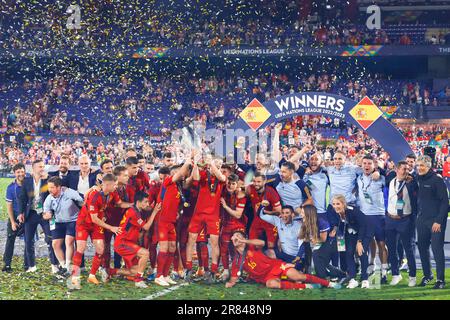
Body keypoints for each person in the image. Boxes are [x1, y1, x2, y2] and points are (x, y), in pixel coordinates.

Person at [67, 174, 132, 290]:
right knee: (81, 248)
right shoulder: (94, 195)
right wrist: (111, 228)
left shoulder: (112, 193)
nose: (116, 187)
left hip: (97, 224)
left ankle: (92, 275)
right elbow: (94, 218)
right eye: (115, 185)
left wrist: (134, 205)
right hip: (84, 223)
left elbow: (119, 203)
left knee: (100, 249)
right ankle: (75, 277)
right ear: (108, 184)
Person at [225, 231, 341, 290]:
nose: (236, 238)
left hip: (275, 266)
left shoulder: (251, 246)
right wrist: (230, 283)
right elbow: (233, 279)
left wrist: (244, 241)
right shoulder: (236, 260)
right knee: (271, 284)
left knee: (298, 276)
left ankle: (329, 284)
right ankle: (307, 287)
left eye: (239, 236)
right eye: (234, 236)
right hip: (266, 277)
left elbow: (262, 243)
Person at [185, 156, 228, 283]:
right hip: (198, 214)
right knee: (191, 240)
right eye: (217, 163)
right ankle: (188, 269)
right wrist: (196, 165)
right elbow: (196, 178)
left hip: (213, 215)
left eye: (220, 163)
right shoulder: (204, 174)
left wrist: (211, 164)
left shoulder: (222, 176)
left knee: (214, 242)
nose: (219, 165)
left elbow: (221, 177)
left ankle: (213, 271)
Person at [110, 191, 161, 288]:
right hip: (122, 243)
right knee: (145, 253)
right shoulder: (133, 212)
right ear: (138, 202)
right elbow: (146, 227)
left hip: (127, 242)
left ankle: (109, 271)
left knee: (134, 272)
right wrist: (154, 212)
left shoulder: (136, 210)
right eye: (145, 202)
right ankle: (139, 280)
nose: (147, 204)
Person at [155, 159, 192, 287]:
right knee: (164, 249)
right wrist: (189, 159)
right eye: (177, 173)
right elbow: (182, 172)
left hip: (171, 222)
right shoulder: (168, 182)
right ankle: (159, 275)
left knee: (172, 248)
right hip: (163, 221)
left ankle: (165, 275)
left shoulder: (178, 187)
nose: (180, 174)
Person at [19, 159, 59, 273]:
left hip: (45, 214)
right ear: (33, 168)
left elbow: (55, 192)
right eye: (39, 167)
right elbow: (22, 198)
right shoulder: (26, 181)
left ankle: (54, 265)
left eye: (43, 166)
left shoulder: (49, 179)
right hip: (30, 213)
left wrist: (50, 212)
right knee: (28, 241)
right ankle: (32, 266)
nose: (42, 168)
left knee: (51, 239)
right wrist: (21, 213)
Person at [416, 155, 449, 289]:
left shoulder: (437, 180)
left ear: (429, 166)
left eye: (422, 166)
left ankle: (440, 279)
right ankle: (427, 275)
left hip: (435, 221)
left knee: (437, 250)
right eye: (418, 165)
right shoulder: (417, 178)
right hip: (421, 220)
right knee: (422, 249)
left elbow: (445, 203)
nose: (419, 168)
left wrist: (438, 221)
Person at [356, 155, 388, 287]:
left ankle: (384, 271)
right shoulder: (358, 178)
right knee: (369, 242)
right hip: (364, 215)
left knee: (381, 243)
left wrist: (380, 170)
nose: (367, 166)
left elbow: (391, 175)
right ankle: (372, 264)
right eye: (364, 163)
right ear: (361, 164)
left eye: (369, 163)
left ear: (374, 165)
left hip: (378, 215)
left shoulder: (380, 177)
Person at [385, 160, 418, 287]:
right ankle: (395, 274)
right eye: (404, 169)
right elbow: (381, 174)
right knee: (392, 250)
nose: (406, 171)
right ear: (397, 170)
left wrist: (412, 178)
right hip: (390, 219)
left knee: (408, 249)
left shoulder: (411, 182)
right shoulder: (391, 180)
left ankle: (412, 276)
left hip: (405, 219)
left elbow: (418, 181)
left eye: (408, 169)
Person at [43, 176, 84, 276]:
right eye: (49, 187)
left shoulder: (69, 192)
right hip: (57, 222)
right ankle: (63, 266)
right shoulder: (49, 198)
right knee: (55, 244)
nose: (50, 190)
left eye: (52, 187)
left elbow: (83, 200)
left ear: (59, 187)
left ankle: (68, 265)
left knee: (68, 241)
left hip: (72, 220)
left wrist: (82, 209)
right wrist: (46, 216)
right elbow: (45, 214)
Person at [298, 205, 346, 281]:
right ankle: (325, 276)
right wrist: (299, 254)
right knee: (319, 257)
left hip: (338, 239)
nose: (301, 214)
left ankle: (329, 276)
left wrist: (313, 240)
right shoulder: (306, 222)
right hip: (328, 241)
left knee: (317, 255)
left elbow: (323, 239)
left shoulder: (321, 222)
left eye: (303, 213)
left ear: (309, 213)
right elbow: (305, 240)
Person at [327, 195, 367, 289]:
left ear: (343, 204)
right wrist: (335, 229)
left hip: (364, 230)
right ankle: (352, 279)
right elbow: (338, 223)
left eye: (338, 204)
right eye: (334, 204)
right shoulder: (333, 211)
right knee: (348, 253)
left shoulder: (353, 210)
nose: (335, 206)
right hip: (348, 232)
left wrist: (359, 241)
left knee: (361, 252)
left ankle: (365, 279)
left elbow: (363, 225)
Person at [102, 165, 133, 270]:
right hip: (108, 222)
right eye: (124, 176)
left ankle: (117, 267)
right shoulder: (109, 189)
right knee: (105, 245)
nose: (127, 177)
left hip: (121, 222)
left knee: (119, 245)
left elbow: (121, 204)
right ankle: (105, 268)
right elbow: (118, 204)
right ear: (117, 177)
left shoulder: (127, 188)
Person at [246, 172, 282, 259]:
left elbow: (279, 212)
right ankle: (256, 266)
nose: (256, 184)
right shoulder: (250, 188)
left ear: (264, 181)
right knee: (251, 244)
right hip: (257, 220)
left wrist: (266, 212)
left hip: (270, 221)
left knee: (271, 248)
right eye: (254, 181)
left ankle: (274, 268)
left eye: (258, 182)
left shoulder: (271, 192)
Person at [219, 173, 247, 281]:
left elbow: (238, 214)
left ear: (237, 184)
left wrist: (225, 206)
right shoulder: (223, 191)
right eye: (229, 183)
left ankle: (237, 272)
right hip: (226, 224)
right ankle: (226, 271)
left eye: (233, 184)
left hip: (238, 225)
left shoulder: (241, 195)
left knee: (238, 248)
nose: (230, 186)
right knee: (224, 248)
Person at [259, 205, 304, 271]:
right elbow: (261, 215)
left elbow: (303, 245)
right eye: (282, 213)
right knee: (267, 253)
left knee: (294, 275)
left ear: (292, 215)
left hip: (296, 257)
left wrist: (299, 257)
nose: (284, 215)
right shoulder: (278, 221)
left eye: (287, 213)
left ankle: (297, 269)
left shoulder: (299, 226)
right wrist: (262, 205)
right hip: (284, 255)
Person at [3, 163, 27, 272]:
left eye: (22, 171)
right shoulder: (11, 187)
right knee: (10, 239)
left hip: (28, 218)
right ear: (14, 173)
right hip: (15, 217)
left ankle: (28, 264)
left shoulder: (30, 184)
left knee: (29, 241)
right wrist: (13, 222)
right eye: (18, 172)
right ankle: (7, 264)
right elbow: (9, 206)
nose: (20, 174)